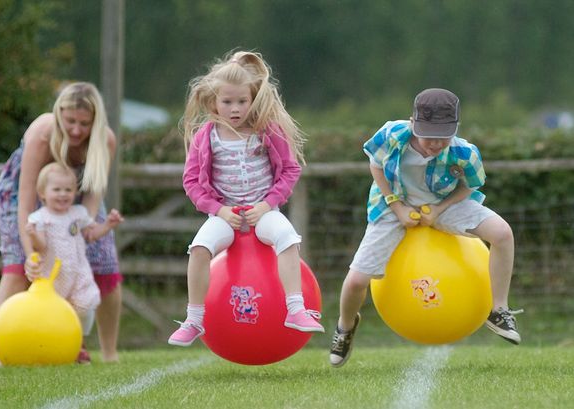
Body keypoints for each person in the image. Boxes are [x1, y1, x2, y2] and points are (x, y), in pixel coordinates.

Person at [329, 88, 522, 368]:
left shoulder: (465, 153)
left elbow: (470, 185)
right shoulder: (392, 134)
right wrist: (397, 207)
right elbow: (376, 166)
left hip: (444, 205)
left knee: (503, 233)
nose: (434, 144)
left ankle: (499, 309)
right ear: (413, 123)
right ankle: (345, 328)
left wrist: (441, 210)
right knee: (357, 281)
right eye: (428, 135)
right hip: (393, 206)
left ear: (454, 129)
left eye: (442, 137)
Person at [168, 50, 324, 347]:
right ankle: (194, 319)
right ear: (213, 102)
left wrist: (266, 205)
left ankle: (296, 309)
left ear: (253, 99)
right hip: (224, 216)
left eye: (242, 101)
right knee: (199, 249)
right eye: (227, 102)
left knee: (288, 239)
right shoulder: (206, 136)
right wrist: (219, 210)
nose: (235, 108)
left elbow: (291, 169)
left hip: (264, 212)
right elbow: (191, 181)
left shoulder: (267, 131)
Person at [0, 82, 122, 362]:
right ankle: (2, 351)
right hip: (23, 194)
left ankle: (107, 352)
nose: (76, 130)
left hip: (75, 197)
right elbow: (26, 201)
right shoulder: (43, 134)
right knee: (19, 268)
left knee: (103, 265)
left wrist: (83, 232)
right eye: (70, 121)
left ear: (96, 122)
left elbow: (91, 199)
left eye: (85, 123)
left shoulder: (106, 141)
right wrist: (31, 254)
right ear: (59, 113)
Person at [26, 162, 124, 363]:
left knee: (86, 304)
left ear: (75, 192)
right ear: (42, 193)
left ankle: (78, 341)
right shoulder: (40, 218)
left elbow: (91, 234)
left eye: (68, 190)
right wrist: (33, 235)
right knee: (53, 312)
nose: (63, 194)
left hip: (78, 271)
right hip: (53, 274)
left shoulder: (78, 213)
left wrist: (108, 225)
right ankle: (57, 346)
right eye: (57, 190)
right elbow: (42, 246)